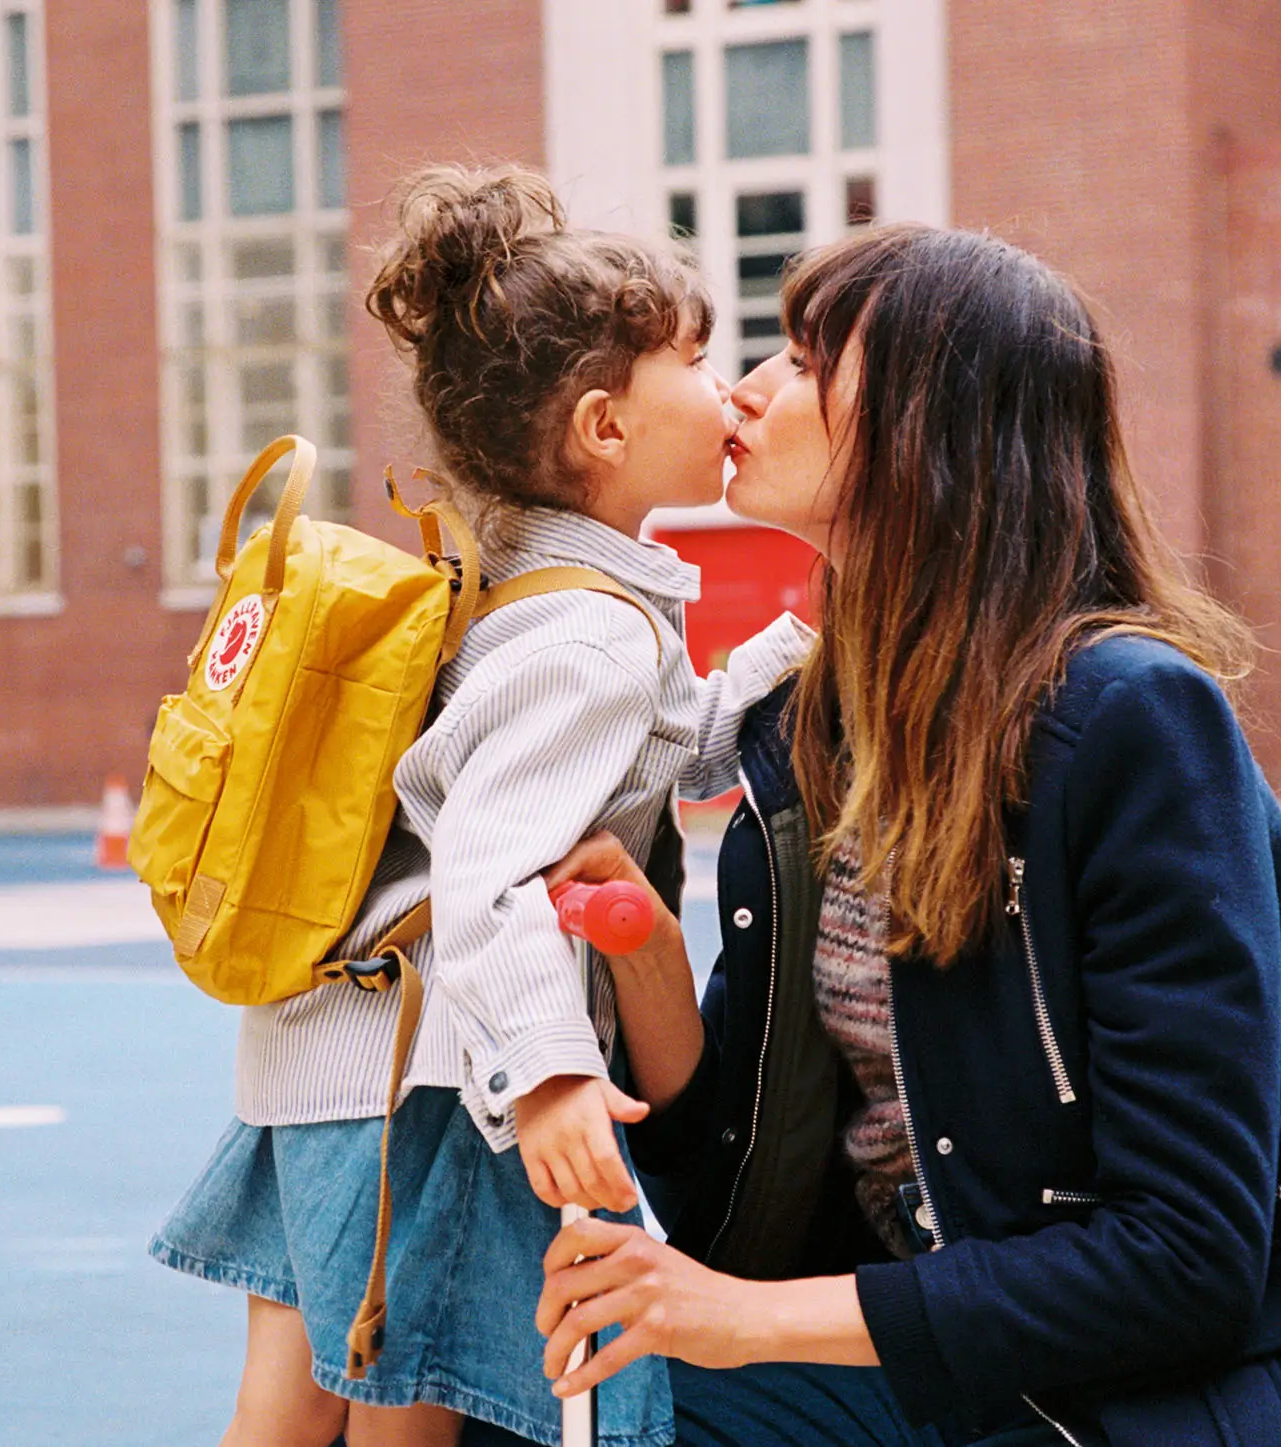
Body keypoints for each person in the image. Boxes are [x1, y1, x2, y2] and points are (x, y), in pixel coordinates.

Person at [537, 224, 1281, 1447]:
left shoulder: (1131, 724)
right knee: (499, 1394)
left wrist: (741, 1322)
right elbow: (738, 1174)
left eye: (810, 359)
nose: (749, 389)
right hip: (953, 1370)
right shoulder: (810, 733)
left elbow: (1187, 1255)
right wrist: (644, 954)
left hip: (1168, 1396)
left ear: (937, 428)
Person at [148, 166, 814, 1447]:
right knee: (416, 1400)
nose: (730, 391)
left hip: (331, 1043)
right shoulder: (590, 638)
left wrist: (779, 654)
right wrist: (557, 1074)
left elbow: (642, 760)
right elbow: (489, 869)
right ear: (605, 428)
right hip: (440, 1078)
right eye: (696, 357)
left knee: (285, 1411)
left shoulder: (530, 597)